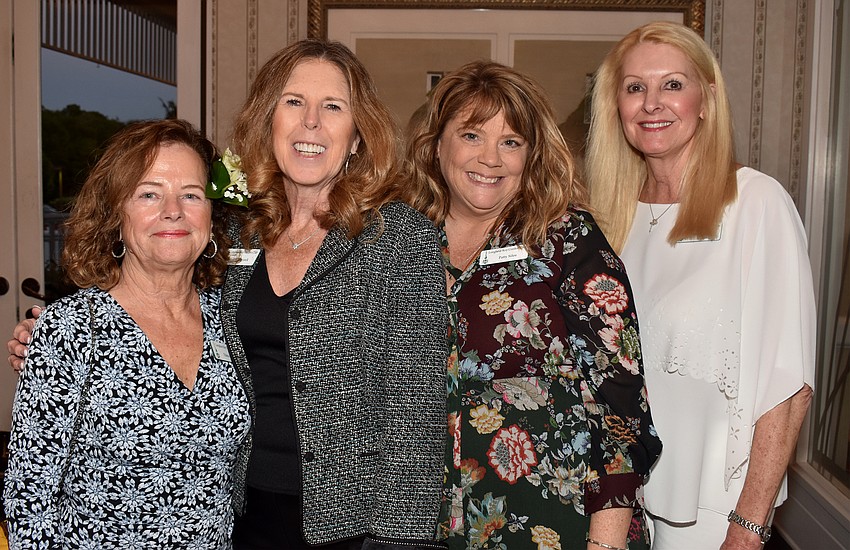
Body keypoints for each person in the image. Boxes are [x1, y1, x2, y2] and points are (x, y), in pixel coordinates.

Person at [7, 40, 448, 550]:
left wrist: (399, 541)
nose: (311, 123)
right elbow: (155, 304)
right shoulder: (239, 232)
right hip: (242, 514)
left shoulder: (397, 237)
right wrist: (50, 338)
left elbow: (416, 414)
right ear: (269, 122)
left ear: (357, 136)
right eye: (293, 102)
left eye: (333, 107)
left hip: (356, 526)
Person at [400, 60, 662, 550]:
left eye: (511, 142)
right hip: (423, 526)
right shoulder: (401, 241)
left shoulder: (567, 241)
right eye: (473, 136)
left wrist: (606, 543)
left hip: (555, 523)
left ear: (532, 155)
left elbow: (620, 404)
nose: (491, 158)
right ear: (437, 146)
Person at [585, 21, 815, 550]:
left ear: (707, 98)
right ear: (615, 106)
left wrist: (750, 526)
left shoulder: (755, 204)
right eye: (635, 87)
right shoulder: (608, 219)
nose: (651, 104)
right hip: (619, 500)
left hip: (713, 508)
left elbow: (788, 385)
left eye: (672, 84)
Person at [3, 119, 251, 547]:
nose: (172, 210)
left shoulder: (233, 318)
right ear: (116, 217)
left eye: (191, 195)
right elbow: (29, 497)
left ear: (212, 218)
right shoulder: (71, 330)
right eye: (149, 194)